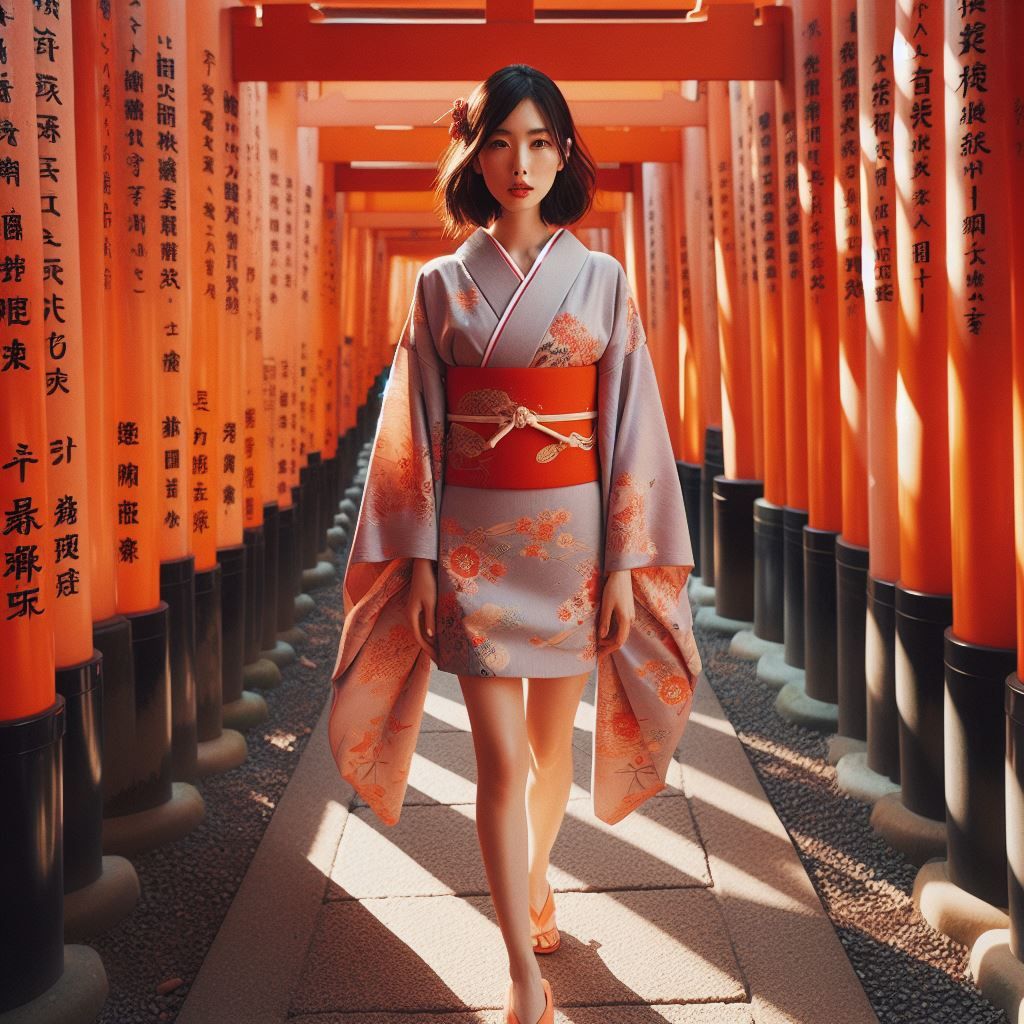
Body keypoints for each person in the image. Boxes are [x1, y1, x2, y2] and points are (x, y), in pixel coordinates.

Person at [328, 64, 702, 1024]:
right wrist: (414, 558)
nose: (520, 161)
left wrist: (625, 565)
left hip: (573, 543)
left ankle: (535, 877)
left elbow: (633, 429)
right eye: (500, 140)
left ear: (564, 154)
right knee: (500, 763)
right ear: (475, 151)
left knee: (553, 758)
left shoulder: (604, 278)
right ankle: (519, 968)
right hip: (474, 547)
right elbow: (408, 430)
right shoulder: (441, 287)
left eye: (540, 142)